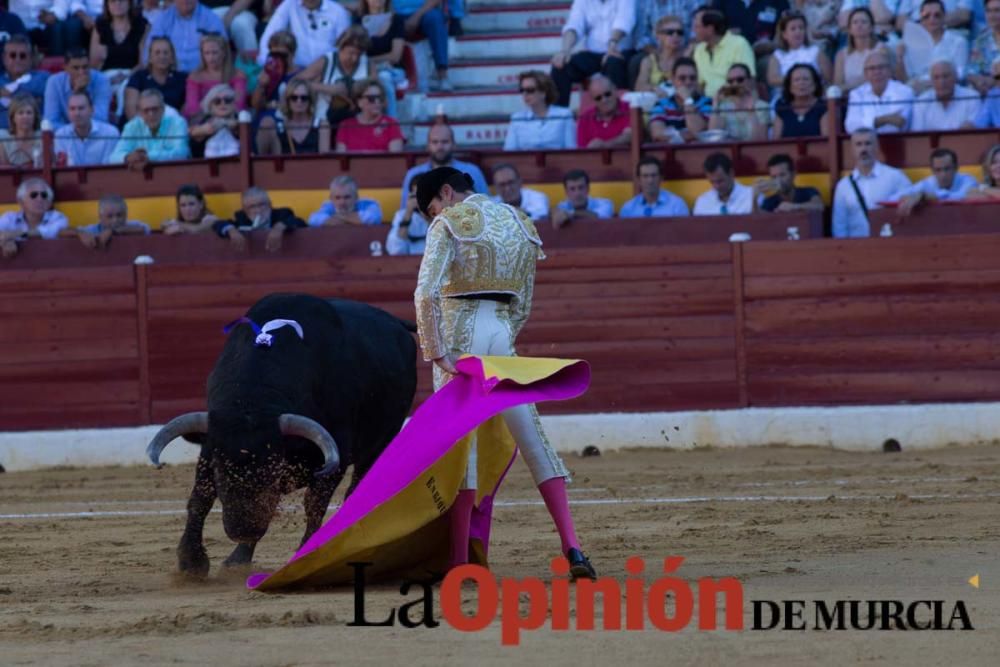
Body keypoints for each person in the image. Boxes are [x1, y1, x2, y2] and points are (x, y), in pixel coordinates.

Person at [412, 165, 597, 581]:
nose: (433, 215)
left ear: (445, 193)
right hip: (501, 336)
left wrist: (436, 352)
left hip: (461, 338)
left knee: (464, 451)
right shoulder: (520, 221)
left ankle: (460, 563)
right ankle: (574, 549)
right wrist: (502, 342)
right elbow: (523, 304)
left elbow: (425, 293)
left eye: (431, 207)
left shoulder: (449, 222)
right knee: (534, 440)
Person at [550, 0, 636, 107]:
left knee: (613, 62)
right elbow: (574, 24)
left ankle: (619, 116)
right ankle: (558, 116)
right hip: (593, 54)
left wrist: (612, 45)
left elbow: (624, 21)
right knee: (561, 65)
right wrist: (565, 51)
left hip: (620, 52)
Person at [831, 128, 912, 238]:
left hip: (888, 247)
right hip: (856, 250)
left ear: (877, 147)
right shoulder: (843, 186)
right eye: (858, 144)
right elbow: (840, 227)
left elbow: (910, 208)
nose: (863, 149)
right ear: (852, 149)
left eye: (868, 143)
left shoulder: (895, 177)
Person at [399, 123, 488, 206]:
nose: (440, 147)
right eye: (435, 142)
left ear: (454, 144)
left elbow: (486, 206)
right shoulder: (413, 174)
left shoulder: (472, 171)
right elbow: (404, 211)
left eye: (445, 142)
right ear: (428, 146)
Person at [896, 0, 969, 92]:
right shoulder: (910, 44)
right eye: (926, 16)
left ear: (944, 17)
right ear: (920, 19)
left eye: (937, 15)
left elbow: (960, 75)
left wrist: (928, 84)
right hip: (918, 93)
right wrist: (900, 58)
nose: (932, 19)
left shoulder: (958, 42)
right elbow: (905, 80)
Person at [257, 0, 351, 70]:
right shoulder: (289, 4)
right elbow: (269, 36)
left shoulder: (339, 12)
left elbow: (344, 48)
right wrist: (266, 63)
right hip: (295, 71)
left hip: (326, 72)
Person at [108, 88, 191, 168]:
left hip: (173, 174)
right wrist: (127, 157)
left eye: (155, 109)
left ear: (163, 109)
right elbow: (113, 158)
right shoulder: (131, 126)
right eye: (146, 110)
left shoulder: (178, 123)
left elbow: (181, 153)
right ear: (139, 112)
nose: (151, 114)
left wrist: (146, 157)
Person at [213, 186, 305, 253]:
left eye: (262, 204)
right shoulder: (241, 218)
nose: (258, 210)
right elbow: (217, 224)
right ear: (244, 210)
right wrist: (231, 230)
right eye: (252, 207)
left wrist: (279, 227)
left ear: (270, 204)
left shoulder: (282, 214)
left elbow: (299, 222)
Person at [844, 50, 914, 134]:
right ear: (865, 74)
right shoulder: (856, 94)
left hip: (897, 143)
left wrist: (868, 122)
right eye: (872, 68)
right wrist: (885, 119)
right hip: (866, 145)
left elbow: (897, 126)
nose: (877, 72)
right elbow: (851, 127)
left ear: (889, 71)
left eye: (881, 67)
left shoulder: (904, 91)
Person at [146, 0, 226, 73]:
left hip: (202, 76)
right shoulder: (163, 19)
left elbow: (223, 52)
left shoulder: (211, 19)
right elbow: (148, 52)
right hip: (169, 76)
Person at [255, 78, 331, 155]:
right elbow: (262, 157)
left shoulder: (321, 124)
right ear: (288, 100)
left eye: (304, 98)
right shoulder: (278, 125)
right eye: (294, 98)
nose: (299, 101)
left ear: (310, 100)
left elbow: (324, 158)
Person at [504, 70, 576, 151]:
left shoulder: (564, 115)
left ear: (544, 92)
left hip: (558, 162)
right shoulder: (517, 119)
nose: (525, 94)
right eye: (522, 90)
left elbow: (571, 150)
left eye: (530, 90)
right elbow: (509, 152)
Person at [894, 147, 978, 216]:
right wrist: (907, 197)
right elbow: (893, 198)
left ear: (956, 168)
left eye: (947, 169)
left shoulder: (968, 181)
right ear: (932, 170)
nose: (943, 174)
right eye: (938, 170)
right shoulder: (927, 183)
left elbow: (960, 197)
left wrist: (926, 197)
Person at [691, 7, 755, 97]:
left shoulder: (739, 44)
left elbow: (750, 81)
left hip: (734, 101)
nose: (694, 31)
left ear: (710, 29)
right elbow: (701, 84)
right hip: (708, 104)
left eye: (697, 27)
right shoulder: (699, 50)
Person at [0, 178, 71, 258]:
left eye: (44, 195)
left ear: (49, 202)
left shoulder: (58, 218)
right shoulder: (9, 218)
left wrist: (17, 234)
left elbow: (50, 232)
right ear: (21, 202)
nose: (39, 199)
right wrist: (6, 241)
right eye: (33, 195)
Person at [43, 48, 112, 129]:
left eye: (85, 67)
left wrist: (82, 93)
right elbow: (51, 121)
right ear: (65, 68)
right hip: (64, 137)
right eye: (76, 68)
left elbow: (101, 119)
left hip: (94, 135)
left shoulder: (102, 80)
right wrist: (77, 92)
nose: (81, 72)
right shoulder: (54, 82)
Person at [182, 33, 247, 118]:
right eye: (207, 53)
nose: (211, 58)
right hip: (203, 121)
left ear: (223, 53)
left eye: (214, 53)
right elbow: (192, 108)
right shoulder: (195, 76)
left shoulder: (238, 75)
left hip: (231, 119)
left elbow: (239, 104)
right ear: (202, 55)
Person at [647, 57, 712, 142]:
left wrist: (687, 100)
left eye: (692, 78)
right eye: (682, 78)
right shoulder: (661, 104)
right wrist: (688, 136)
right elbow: (658, 134)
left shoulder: (707, 102)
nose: (688, 82)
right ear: (673, 80)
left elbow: (698, 131)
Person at [123, 36, 187, 120]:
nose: (162, 56)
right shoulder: (138, 77)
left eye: (166, 53)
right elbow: (131, 110)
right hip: (141, 126)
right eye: (157, 52)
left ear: (172, 58)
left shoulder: (182, 79)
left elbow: (186, 110)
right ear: (150, 58)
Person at [766, 10, 832, 90]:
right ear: (784, 34)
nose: (798, 32)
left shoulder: (816, 51)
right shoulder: (778, 55)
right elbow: (772, 79)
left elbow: (829, 79)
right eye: (793, 29)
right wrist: (798, 79)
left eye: (801, 28)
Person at [334, 79, 404, 152]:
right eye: (371, 98)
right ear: (359, 102)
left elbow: (395, 158)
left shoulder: (392, 124)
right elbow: (341, 158)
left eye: (380, 98)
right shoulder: (345, 126)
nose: (377, 102)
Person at [53, 90, 120, 166]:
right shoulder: (60, 135)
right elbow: (62, 168)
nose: (77, 113)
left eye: (81, 108)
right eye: (72, 109)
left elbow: (110, 168)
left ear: (92, 110)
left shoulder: (110, 133)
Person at [834, 7, 892, 94]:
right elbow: (837, 86)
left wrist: (850, 87)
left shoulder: (881, 50)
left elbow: (884, 79)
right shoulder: (841, 55)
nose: (859, 25)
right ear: (849, 29)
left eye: (864, 22)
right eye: (855, 22)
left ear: (871, 27)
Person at [911, 60, 980, 131]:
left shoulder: (972, 97)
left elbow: (974, 133)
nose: (941, 82)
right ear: (931, 81)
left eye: (946, 76)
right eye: (936, 78)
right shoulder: (921, 102)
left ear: (956, 77)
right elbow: (917, 136)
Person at [708, 63, 769, 140]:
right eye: (730, 81)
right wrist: (715, 103)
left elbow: (760, 140)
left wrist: (751, 112)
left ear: (750, 81)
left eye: (740, 80)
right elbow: (714, 136)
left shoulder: (762, 107)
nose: (735, 84)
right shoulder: (724, 107)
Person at [0, 35, 50, 131]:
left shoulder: (43, 78)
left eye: (23, 56)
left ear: (30, 58)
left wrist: (7, 93)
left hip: (35, 135)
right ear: (4, 59)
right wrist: (32, 98)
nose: (17, 60)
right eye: (12, 55)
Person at [619, 155, 690, 217]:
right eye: (645, 176)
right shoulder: (628, 208)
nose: (650, 180)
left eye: (654, 175)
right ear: (638, 180)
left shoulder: (677, 205)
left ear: (661, 178)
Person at [752, 153, 824, 213]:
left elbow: (819, 206)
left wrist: (794, 207)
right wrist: (754, 198)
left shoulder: (808, 191)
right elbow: (759, 219)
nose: (778, 180)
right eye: (774, 177)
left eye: (782, 175)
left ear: (793, 174)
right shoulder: (770, 200)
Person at [773, 63, 829, 138]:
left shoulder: (823, 106)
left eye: (806, 79)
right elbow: (776, 140)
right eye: (796, 80)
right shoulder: (782, 106)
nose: (801, 83)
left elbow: (826, 139)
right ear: (789, 86)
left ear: (815, 84)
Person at [76, 193, 151, 249]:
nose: (115, 220)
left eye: (119, 215)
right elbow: (65, 231)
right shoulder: (93, 229)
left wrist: (112, 231)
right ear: (100, 217)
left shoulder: (132, 225)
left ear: (126, 215)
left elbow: (145, 229)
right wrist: (79, 233)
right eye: (109, 216)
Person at [635, 14, 687, 94]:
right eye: (670, 32)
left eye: (680, 32)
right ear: (658, 36)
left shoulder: (688, 58)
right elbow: (639, 86)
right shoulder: (649, 61)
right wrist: (655, 89)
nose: (675, 35)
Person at [576, 74, 631, 148]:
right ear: (593, 100)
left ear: (615, 90)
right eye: (598, 98)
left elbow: (630, 136)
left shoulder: (630, 109)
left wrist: (605, 145)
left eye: (607, 94)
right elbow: (582, 150)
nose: (604, 100)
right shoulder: (585, 118)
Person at [307, 175, 384, 226]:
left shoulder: (369, 204)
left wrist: (338, 217)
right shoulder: (328, 206)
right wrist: (353, 219)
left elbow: (374, 218)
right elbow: (313, 220)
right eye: (337, 198)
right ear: (331, 198)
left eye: (347, 197)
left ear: (356, 197)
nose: (342, 202)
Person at [187, 82, 240, 158]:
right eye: (217, 101)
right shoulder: (204, 122)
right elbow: (191, 136)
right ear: (210, 106)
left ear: (233, 104)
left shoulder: (242, 119)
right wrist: (201, 131)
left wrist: (233, 125)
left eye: (227, 100)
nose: (223, 104)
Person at [0, 93, 42, 167]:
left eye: (29, 113)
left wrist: (26, 148)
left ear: (35, 116)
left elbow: (44, 165)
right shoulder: (3, 137)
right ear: (13, 117)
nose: (25, 116)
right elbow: (3, 170)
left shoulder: (42, 137)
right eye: (20, 113)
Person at [387, 180, 428, 255]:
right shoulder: (401, 216)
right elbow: (395, 250)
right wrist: (408, 212)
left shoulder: (444, 215)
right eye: (417, 196)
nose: (421, 200)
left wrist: (427, 215)